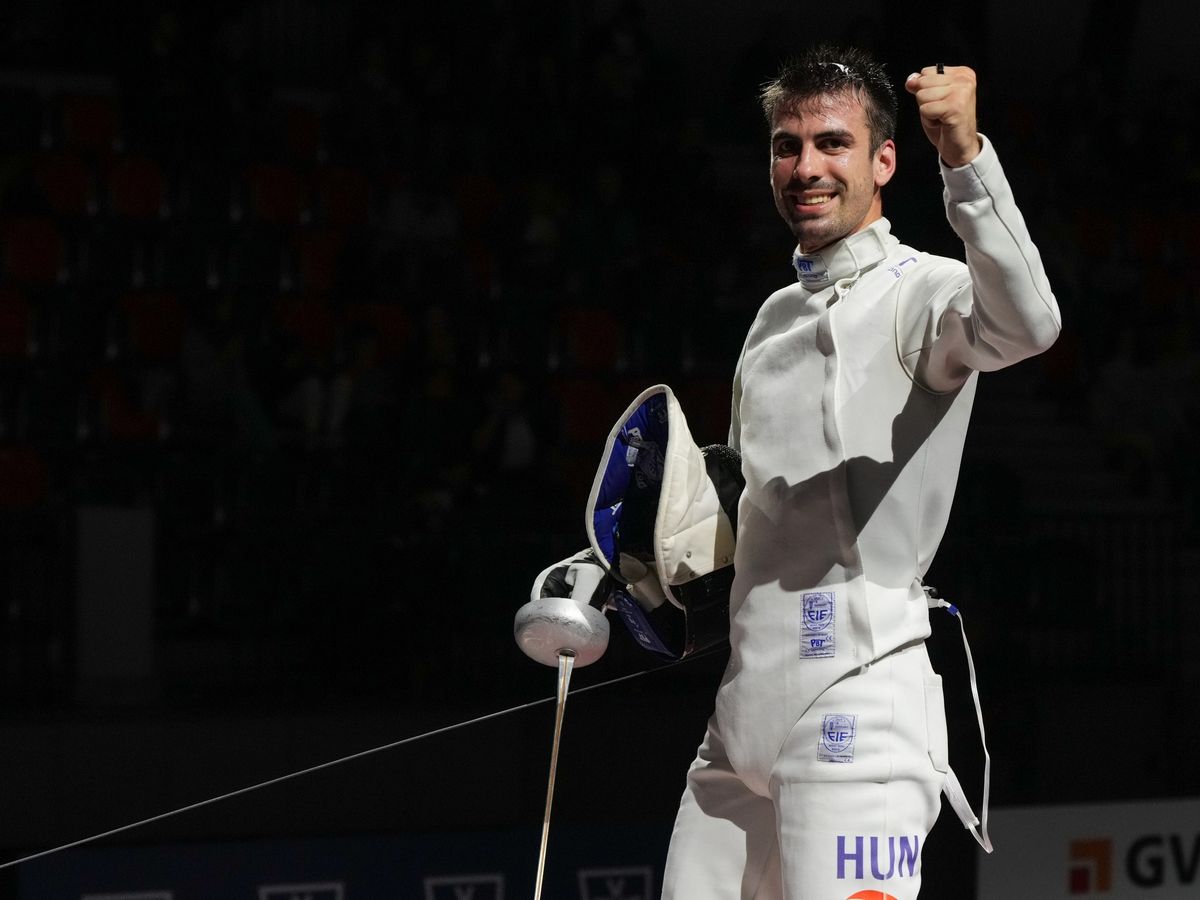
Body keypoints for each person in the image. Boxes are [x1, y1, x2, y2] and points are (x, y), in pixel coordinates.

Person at [659, 45, 1060, 899]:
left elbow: (1029, 325)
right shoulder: (770, 320)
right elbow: (739, 501)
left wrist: (965, 159)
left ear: (884, 161)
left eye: (832, 144)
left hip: (859, 702)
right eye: (786, 145)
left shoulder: (928, 292)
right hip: (741, 715)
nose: (806, 166)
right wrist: (624, 558)